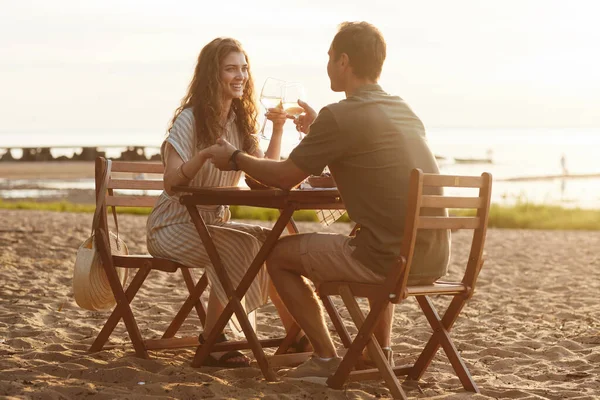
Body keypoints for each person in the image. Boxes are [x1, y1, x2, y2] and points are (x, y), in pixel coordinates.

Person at [207, 21, 450, 378]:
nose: (327, 65)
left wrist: (235, 158)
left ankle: (323, 355)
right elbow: (375, 164)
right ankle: (377, 352)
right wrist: (321, 127)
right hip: (431, 257)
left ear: (344, 62)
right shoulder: (401, 109)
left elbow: (284, 178)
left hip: (388, 261)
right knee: (367, 237)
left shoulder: (341, 115)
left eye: (330, 57)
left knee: (278, 256)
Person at [145, 37, 301, 368]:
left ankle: (294, 338)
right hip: (171, 226)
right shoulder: (189, 120)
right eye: (231, 69)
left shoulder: (240, 122)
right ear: (211, 75)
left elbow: (267, 177)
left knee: (275, 241)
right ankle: (213, 339)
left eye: (244, 68)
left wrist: (276, 130)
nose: (241, 76)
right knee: (241, 247)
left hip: (214, 224)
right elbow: (171, 183)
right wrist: (202, 156)